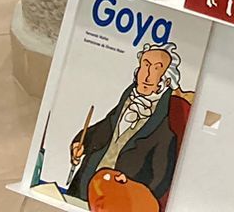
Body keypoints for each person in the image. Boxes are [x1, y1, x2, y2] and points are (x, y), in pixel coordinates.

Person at [67, 40, 183, 206]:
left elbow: (160, 182)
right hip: (83, 191)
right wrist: (81, 144)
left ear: (165, 81)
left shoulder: (164, 134)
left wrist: (130, 192)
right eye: (146, 65)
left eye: (157, 68)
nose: (147, 75)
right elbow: (102, 130)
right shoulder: (123, 106)